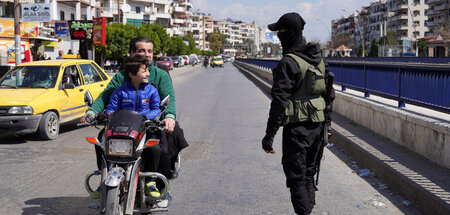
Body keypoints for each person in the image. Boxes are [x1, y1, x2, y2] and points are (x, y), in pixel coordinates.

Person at [80, 37, 187, 207]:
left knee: (162, 146)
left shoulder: (160, 75)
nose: (147, 54)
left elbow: (169, 99)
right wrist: (92, 112)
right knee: (101, 140)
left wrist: (169, 117)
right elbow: (107, 96)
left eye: (150, 51)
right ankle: (104, 176)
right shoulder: (122, 77)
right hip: (124, 124)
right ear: (132, 53)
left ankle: (158, 184)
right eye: (142, 51)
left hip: (150, 124)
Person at [261, 13, 334, 215]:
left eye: (280, 33)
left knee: (296, 178)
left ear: (289, 34)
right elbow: (329, 96)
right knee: (309, 173)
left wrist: (269, 136)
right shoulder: (319, 60)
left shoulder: (288, 63)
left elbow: (279, 103)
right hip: (318, 127)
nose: (277, 37)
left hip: (297, 130)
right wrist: (328, 126)